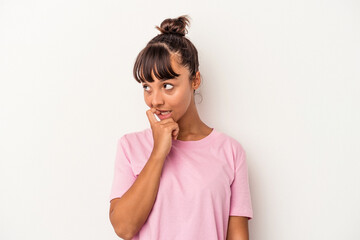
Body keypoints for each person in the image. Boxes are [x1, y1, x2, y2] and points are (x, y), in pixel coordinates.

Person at [109, 15, 253, 240]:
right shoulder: (130, 147)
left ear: (195, 81)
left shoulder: (230, 152)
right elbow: (124, 228)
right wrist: (158, 153)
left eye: (167, 86)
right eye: (147, 87)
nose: (155, 100)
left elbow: (237, 236)